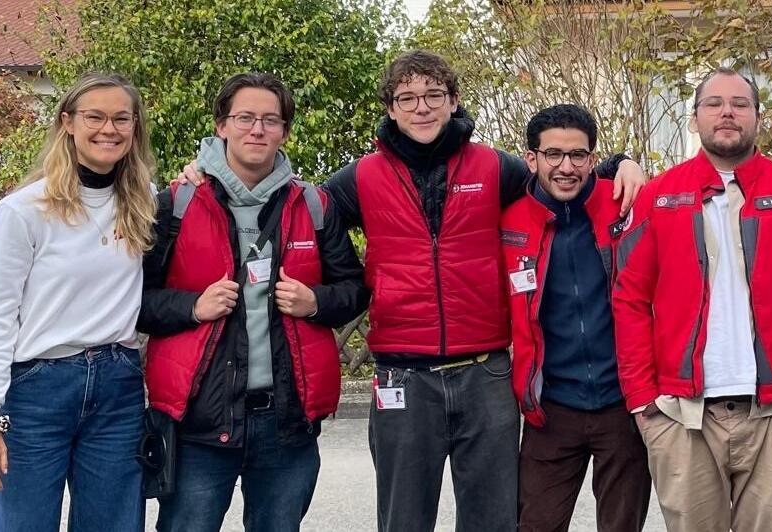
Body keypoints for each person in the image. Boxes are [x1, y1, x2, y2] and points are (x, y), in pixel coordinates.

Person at [173, 50, 647, 531]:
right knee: (404, 519)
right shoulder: (360, 178)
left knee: (493, 520)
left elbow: (560, 176)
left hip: (485, 374)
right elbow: (292, 202)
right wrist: (208, 173)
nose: (421, 108)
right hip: (403, 375)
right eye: (408, 98)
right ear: (391, 108)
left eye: (433, 96)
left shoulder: (493, 168)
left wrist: (619, 164)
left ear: (454, 102)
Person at [612, 67, 772, 532]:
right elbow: (629, 300)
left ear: (758, 117)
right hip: (682, 415)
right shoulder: (659, 197)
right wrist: (643, 402)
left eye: (740, 104)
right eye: (713, 104)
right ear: (694, 118)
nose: (727, 113)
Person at [139, 72, 367, 532]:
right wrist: (191, 308)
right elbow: (133, 302)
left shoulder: (314, 204)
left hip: (286, 421)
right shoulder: (175, 204)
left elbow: (355, 288)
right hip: (200, 423)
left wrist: (315, 301)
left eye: (270, 120)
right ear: (221, 125)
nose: (257, 130)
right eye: (245, 118)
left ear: (285, 130)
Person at [0, 73, 157, 531]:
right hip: (37, 390)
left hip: (118, 385)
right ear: (67, 122)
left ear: (134, 129)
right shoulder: (23, 212)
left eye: (121, 119)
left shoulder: (145, 203)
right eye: (95, 117)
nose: (108, 129)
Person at [500, 104, 651, 532]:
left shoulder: (626, 204)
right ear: (532, 159)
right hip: (550, 409)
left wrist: (626, 161)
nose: (566, 167)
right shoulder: (508, 220)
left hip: (624, 404)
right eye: (553, 155)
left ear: (592, 158)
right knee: (536, 524)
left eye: (578, 155)